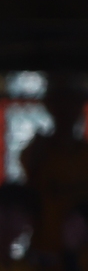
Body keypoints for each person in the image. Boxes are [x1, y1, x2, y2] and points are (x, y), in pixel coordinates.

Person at [22, 73, 88, 258]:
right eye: (60, 102)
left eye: (72, 102)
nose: (66, 110)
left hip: (82, 257)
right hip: (46, 251)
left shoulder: (84, 154)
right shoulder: (38, 151)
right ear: (50, 106)